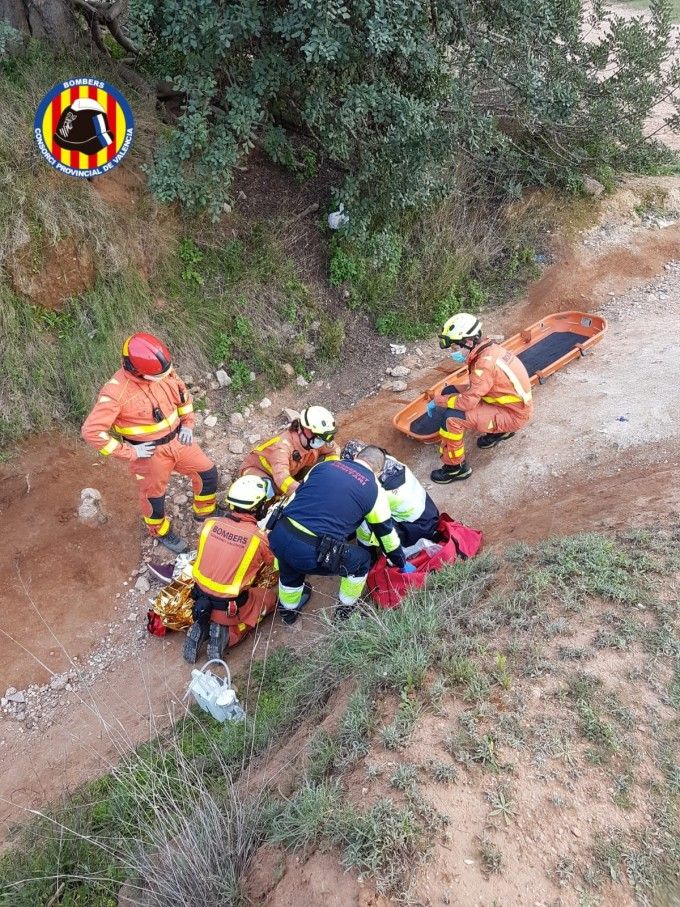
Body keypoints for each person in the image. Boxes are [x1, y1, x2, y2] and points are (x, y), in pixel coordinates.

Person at [81, 333, 218, 552]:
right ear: (137, 371)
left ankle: (205, 511)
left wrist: (188, 424)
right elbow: (92, 432)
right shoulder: (115, 393)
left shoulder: (161, 371)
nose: (167, 375)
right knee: (154, 499)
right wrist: (130, 452)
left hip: (179, 440)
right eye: (159, 375)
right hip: (150, 454)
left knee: (207, 473)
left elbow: (183, 397)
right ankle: (160, 532)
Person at [268, 446, 416, 624]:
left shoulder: (322, 466)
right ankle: (345, 612)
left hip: (279, 534)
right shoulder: (374, 490)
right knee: (361, 561)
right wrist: (399, 561)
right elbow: (386, 535)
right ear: (378, 471)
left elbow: (301, 495)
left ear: (355, 456)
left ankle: (288, 613)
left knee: (289, 567)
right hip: (309, 551)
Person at [429, 314, 533, 483]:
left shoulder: (484, 365)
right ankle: (500, 431)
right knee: (449, 390)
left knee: (452, 418)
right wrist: (446, 394)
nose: (454, 353)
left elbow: (467, 402)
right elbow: (479, 389)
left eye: (455, 348)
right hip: (509, 405)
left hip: (512, 415)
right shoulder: (489, 351)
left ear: (469, 342)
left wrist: (438, 401)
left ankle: (455, 468)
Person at [183, 475, 277, 663]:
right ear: (257, 507)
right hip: (231, 604)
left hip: (199, 593)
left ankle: (205, 623)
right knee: (269, 599)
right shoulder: (257, 538)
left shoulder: (210, 524)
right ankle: (229, 633)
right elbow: (272, 564)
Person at [341, 440, 440, 551]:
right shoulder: (386, 460)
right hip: (430, 514)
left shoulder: (375, 490)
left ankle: (367, 555)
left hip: (417, 530)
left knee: (364, 520)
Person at [239, 405, 340, 497]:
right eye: (318, 436)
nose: (321, 440)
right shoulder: (281, 448)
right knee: (267, 490)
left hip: (289, 471)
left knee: (320, 466)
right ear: (301, 429)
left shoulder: (314, 440)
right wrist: (307, 495)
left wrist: (330, 470)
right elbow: (282, 479)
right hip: (258, 470)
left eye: (323, 437)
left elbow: (334, 449)